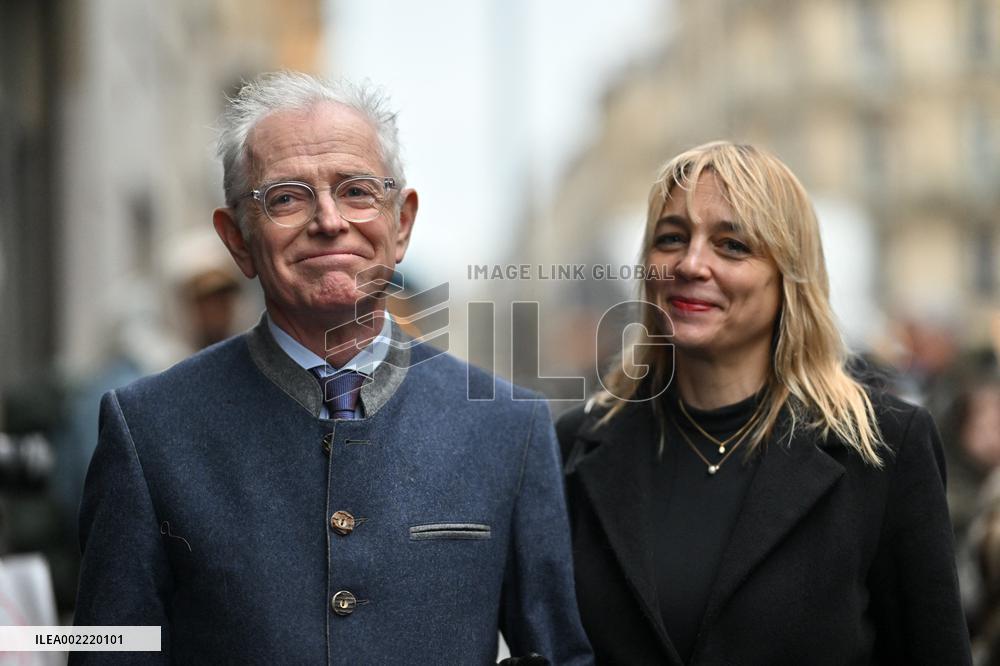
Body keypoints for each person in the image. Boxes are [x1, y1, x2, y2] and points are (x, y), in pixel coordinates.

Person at [72, 71, 592, 665]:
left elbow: (556, 655)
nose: (329, 220)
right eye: (287, 197)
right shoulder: (147, 429)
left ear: (401, 223)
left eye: (356, 191)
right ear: (237, 239)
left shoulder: (510, 428)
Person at [556, 141, 970, 665]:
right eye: (671, 238)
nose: (691, 263)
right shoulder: (577, 447)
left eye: (732, 245)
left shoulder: (882, 446)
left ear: (789, 275)